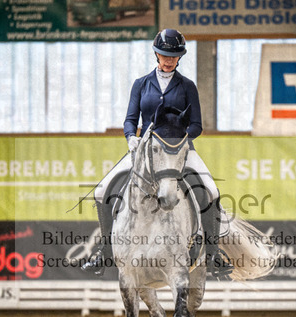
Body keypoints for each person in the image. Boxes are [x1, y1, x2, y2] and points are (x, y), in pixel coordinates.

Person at [82, 28, 233, 278]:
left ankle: (213, 253)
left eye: (173, 56)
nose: (169, 60)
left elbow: (197, 125)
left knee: (211, 190)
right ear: (156, 54)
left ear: (179, 57)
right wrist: (131, 137)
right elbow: (130, 119)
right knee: (101, 190)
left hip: (179, 150)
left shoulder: (187, 86)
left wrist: (180, 139)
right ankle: (105, 252)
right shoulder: (141, 84)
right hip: (146, 150)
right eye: (164, 55)